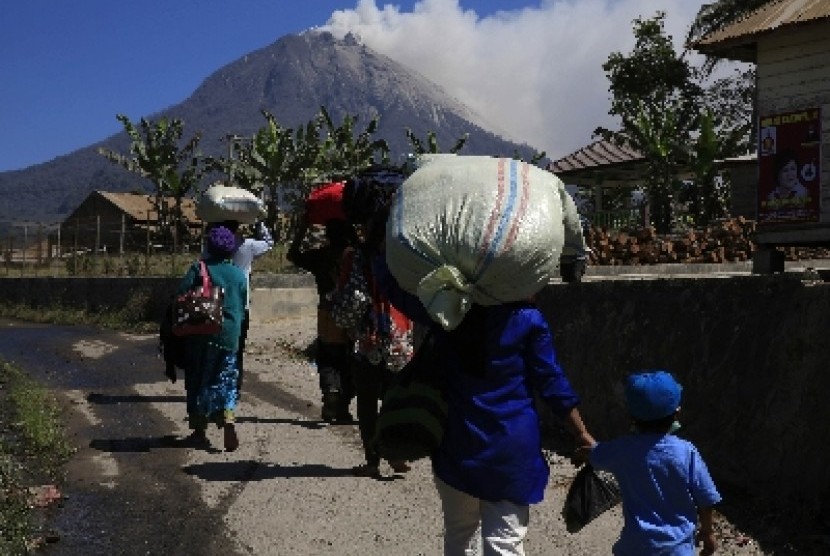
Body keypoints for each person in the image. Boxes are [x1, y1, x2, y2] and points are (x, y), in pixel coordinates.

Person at [577, 370, 721, 556]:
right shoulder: (686, 452)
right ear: (677, 412)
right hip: (677, 549)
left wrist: (581, 454)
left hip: (635, 547)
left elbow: (594, 453)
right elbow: (706, 498)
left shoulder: (622, 449)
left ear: (632, 417)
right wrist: (708, 532)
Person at [337, 167, 415, 477]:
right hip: (400, 334)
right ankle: (395, 453)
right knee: (396, 397)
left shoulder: (353, 256)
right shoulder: (405, 254)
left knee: (368, 401)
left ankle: (372, 461)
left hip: (366, 336)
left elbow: (347, 295)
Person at [176, 225, 247, 451]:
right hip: (231, 335)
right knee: (225, 377)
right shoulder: (238, 274)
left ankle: (199, 432)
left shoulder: (200, 268)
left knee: (198, 380)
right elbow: (243, 303)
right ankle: (227, 416)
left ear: (209, 246)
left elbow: (181, 294)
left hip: (203, 333)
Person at [287, 213, 355, 423]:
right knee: (349, 359)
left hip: (327, 312)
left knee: (327, 356)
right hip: (354, 314)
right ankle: (342, 406)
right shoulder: (355, 255)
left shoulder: (320, 255)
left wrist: (302, 229)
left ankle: (330, 392)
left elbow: (293, 255)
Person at [224, 219, 274, 395]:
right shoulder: (248, 245)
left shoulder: (213, 245)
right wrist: (259, 223)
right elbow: (269, 243)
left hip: (217, 305)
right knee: (237, 348)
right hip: (240, 306)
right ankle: (234, 387)